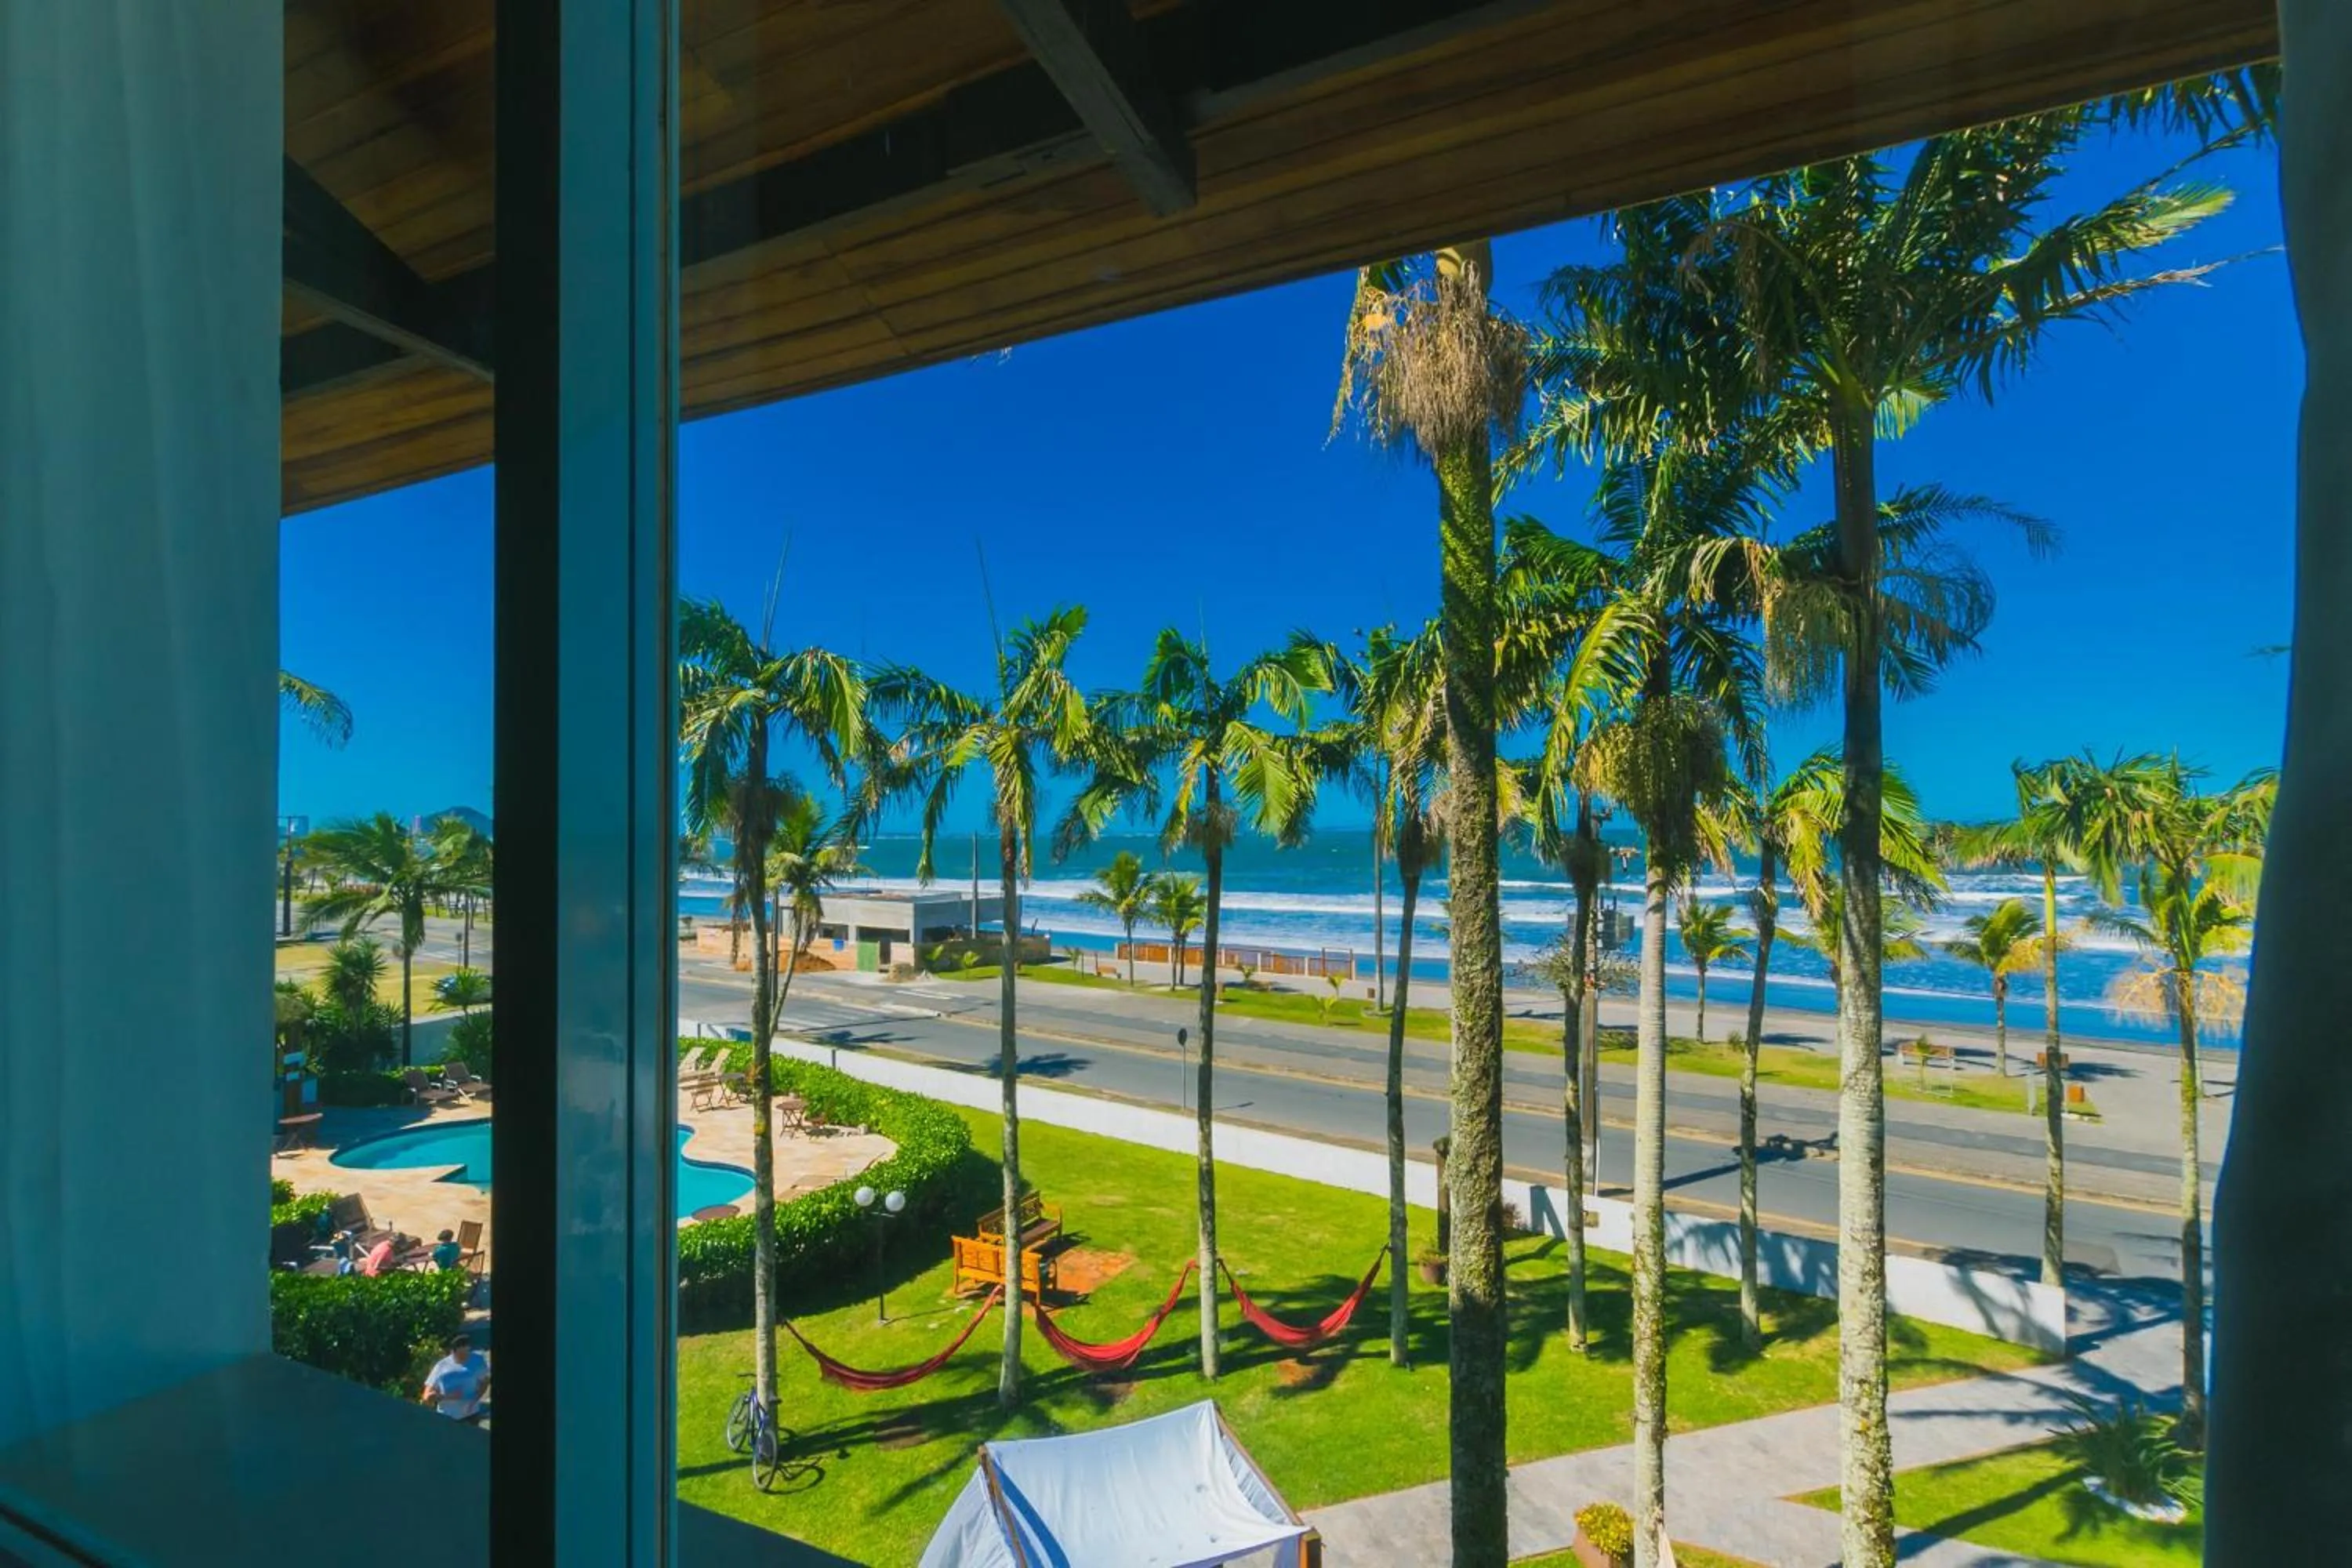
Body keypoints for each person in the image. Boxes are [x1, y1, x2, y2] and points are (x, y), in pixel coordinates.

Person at [421, 1333, 491, 1421]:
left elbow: (485, 1382)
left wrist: (475, 1400)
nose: (465, 1357)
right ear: (453, 1351)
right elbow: (426, 1397)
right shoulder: (441, 1367)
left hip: (471, 1415)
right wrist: (447, 1396)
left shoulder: (478, 1360)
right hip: (447, 1417)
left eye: (467, 1352)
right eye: (461, 1355)